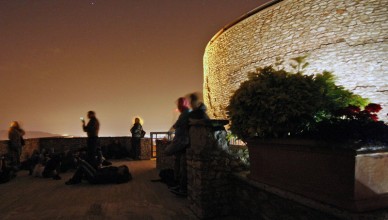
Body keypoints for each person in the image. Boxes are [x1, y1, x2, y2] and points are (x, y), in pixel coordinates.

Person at [164, 97, 191, 196]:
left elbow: (175, 126)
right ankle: (180, 185)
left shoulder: (185, 114)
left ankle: (182, 188)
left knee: (167, 151)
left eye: (179, 105)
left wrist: (167, 137)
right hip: (182, 143)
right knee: (180, 165)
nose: (178, 107)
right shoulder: (186, 114)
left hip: (182, 142)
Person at [65, 159, 132, 185]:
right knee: (83, 162)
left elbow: (128, 177)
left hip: (95, 178)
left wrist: (127, 174)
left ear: (122, 172)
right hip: (97, 172)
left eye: (122, 168)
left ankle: (74, 181)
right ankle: (78, 179)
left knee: (82, 167)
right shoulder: (115, 169)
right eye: (121, 167)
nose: (120, 167)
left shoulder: (117, 176)